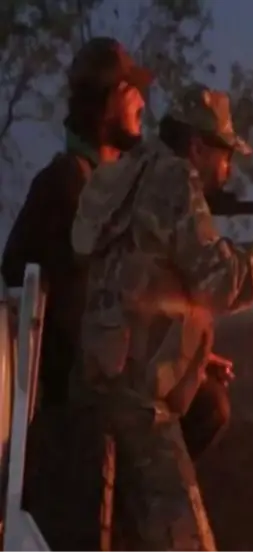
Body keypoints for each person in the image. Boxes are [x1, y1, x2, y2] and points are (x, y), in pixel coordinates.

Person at [71, 83, 253, 551]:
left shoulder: (130, 173)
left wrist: (191, 353)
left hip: (102, 382)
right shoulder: (174, 178)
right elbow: (219, 281)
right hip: (138, 403)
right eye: (224, 155)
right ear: (197, 146)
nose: (228, 169)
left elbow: (143, 285)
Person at [0, 36, 152, 552]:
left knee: (201, 403)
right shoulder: (68, 185)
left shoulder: (92, 186)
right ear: (109, 102)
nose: (142, 105)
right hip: (63, 408)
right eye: (132, 93)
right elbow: (85, 311)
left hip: (79, 389)